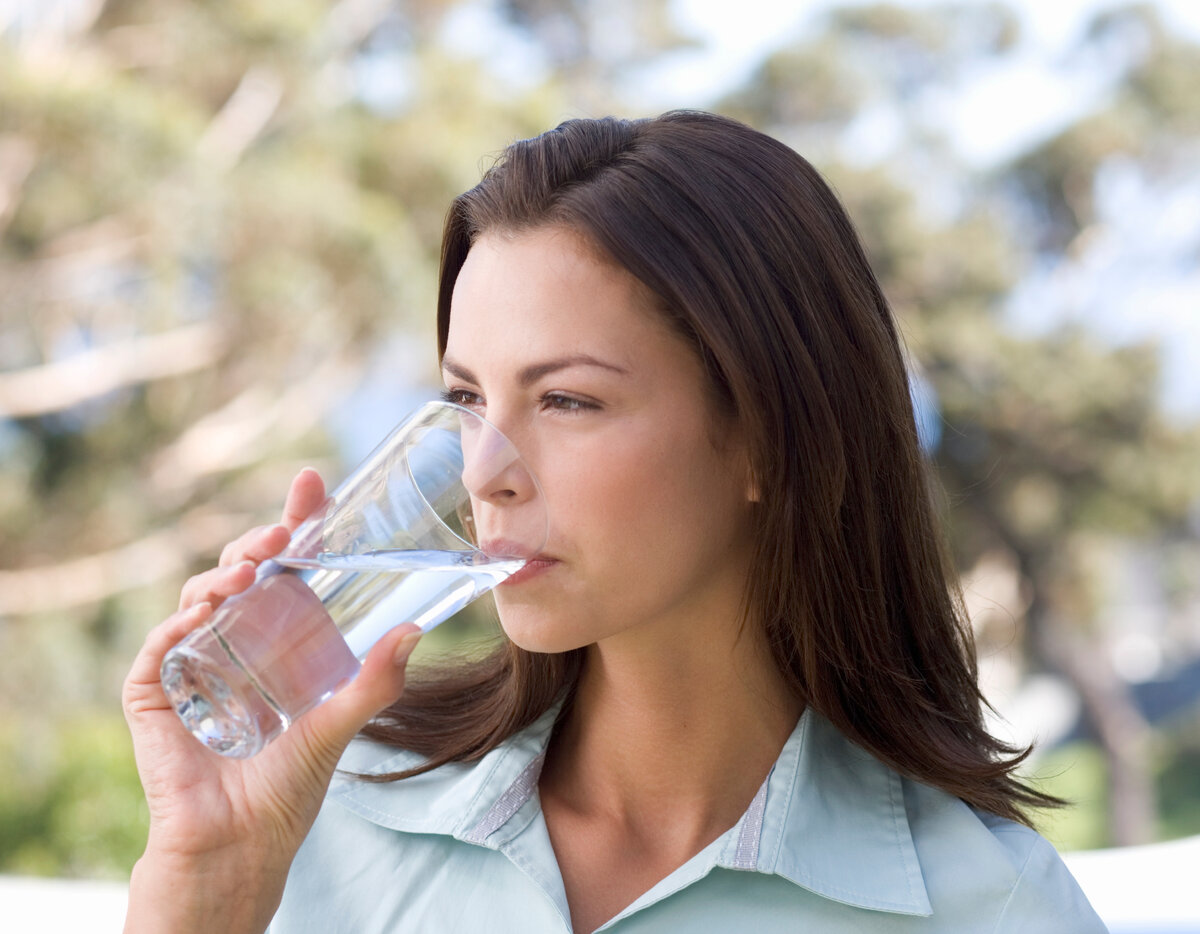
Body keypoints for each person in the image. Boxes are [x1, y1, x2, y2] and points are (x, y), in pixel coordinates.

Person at [123, 111, 1107, 933]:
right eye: (467, 400)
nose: (486, 474)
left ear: (768, 437)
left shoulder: (993, 907)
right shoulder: (329, 819)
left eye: (568, 401)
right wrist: (210, 888)